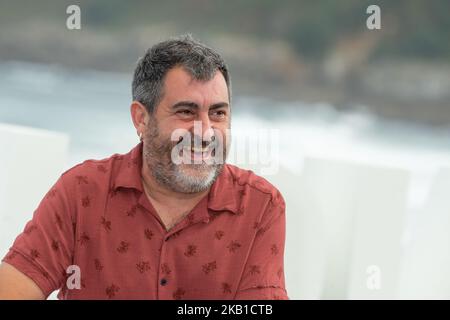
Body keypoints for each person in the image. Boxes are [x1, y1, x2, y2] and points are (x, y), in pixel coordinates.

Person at [0, 35, 288, 300]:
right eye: (186, 112)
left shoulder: (260, 205)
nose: (206, 132)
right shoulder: (82, 190)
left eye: (218, 113)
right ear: (141, 118)